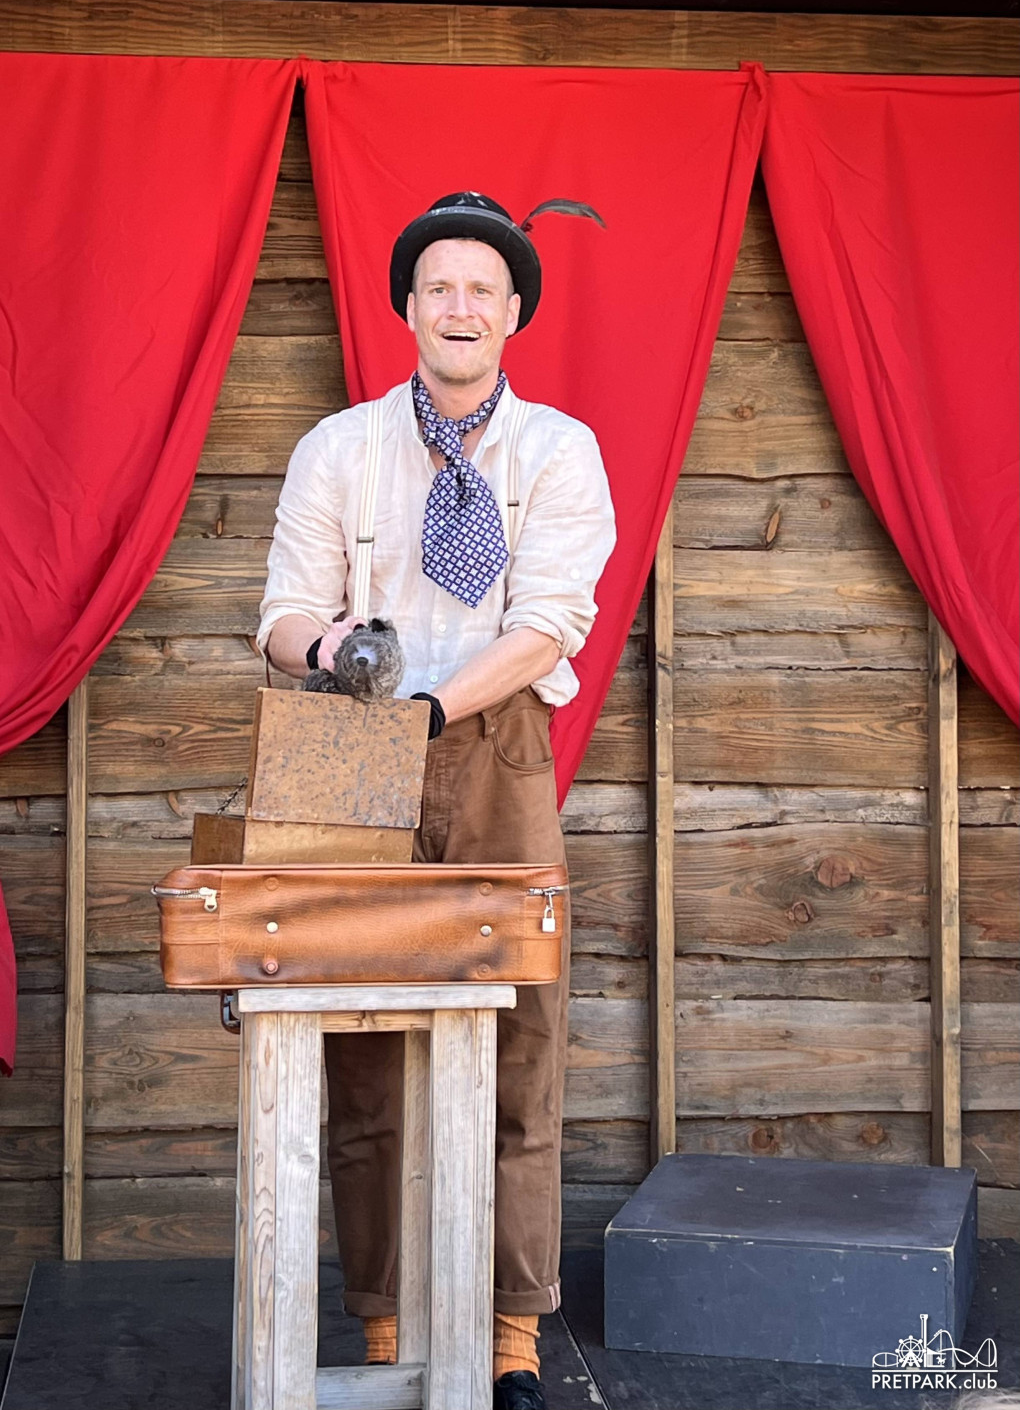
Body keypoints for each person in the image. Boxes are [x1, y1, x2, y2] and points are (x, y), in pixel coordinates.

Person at [257, 190, 615, 1410]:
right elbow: (281, 614)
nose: (460, 307)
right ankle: (386, 1322)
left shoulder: (559, 450)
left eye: (482, 290)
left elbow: (549, 623)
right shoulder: (338, 447)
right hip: (345, 740)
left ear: (513, 314)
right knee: (360, 1049)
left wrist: (431, 708)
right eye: (439, 287)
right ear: (408, 308)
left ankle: (510, 1332)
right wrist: (329, 652)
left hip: (495, 740)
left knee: (520, 1035)